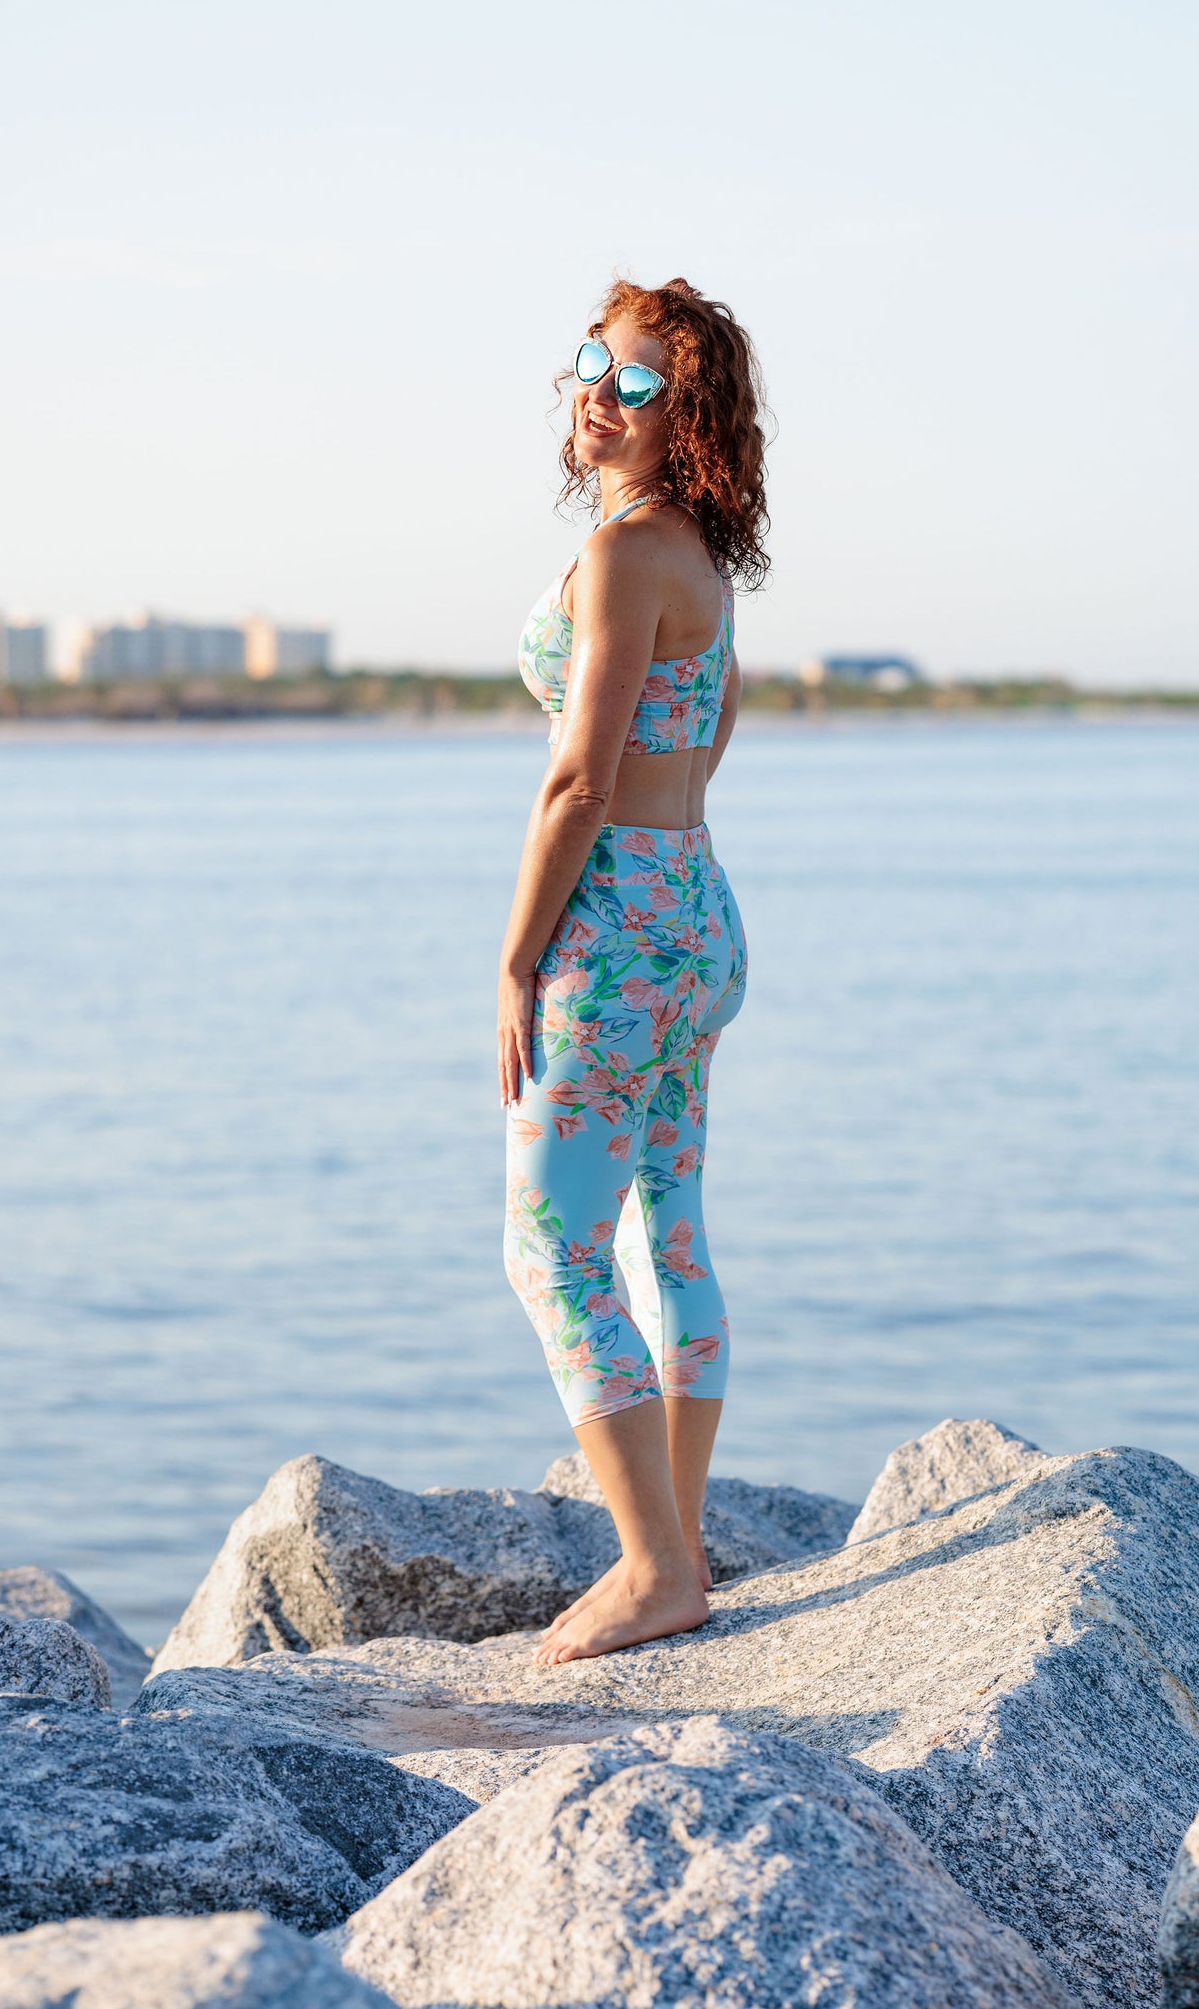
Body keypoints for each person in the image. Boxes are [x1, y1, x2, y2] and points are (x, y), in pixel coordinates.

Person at [498, 276, 769, 1664]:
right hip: (696, 909)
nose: (603, 390)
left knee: (548, 1243)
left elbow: (574, 787)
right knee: (666, 1226)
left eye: (643, 379)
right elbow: (706, 744)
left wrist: (515, 958)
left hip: (612, 928)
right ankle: (681, 1536)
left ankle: (657, 1566)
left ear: (693, 418)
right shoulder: (698, 562)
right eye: (597, 364)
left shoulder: (622, 559)